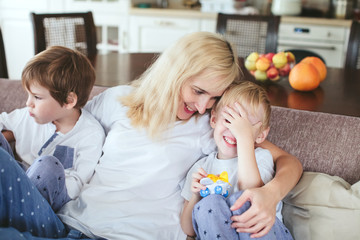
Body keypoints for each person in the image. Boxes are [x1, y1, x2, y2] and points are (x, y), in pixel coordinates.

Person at [0, 32, 302, 239]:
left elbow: (287, 161)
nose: (202, 106)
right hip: (67, 225)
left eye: (213, 98)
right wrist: (11, 134)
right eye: (198, 91)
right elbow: (61, 121)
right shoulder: (117, 101)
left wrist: (271, 193)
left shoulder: (208, 127)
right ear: (175, 72)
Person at [180, 81, 293, 239]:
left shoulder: (261, 156)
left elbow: (251, 192)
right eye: (229, 120)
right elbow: (188, 230)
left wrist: (244, 138)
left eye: (244, 127)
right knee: (208, 204)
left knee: (241, 201)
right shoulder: (201, 167)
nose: (235, 132)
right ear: (213, 119)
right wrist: (196, 197)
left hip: (265, 233)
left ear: (260, 135)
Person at [0, 46, 105, 212]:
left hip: (50, 201)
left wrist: (44, 179)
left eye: (37, 97)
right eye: (28, 95)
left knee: (48, 165)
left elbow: (79, 182)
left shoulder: (90, 134)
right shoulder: (27, 116)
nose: (28, 103)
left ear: (69, 101)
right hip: (18, 180)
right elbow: (3, 121)